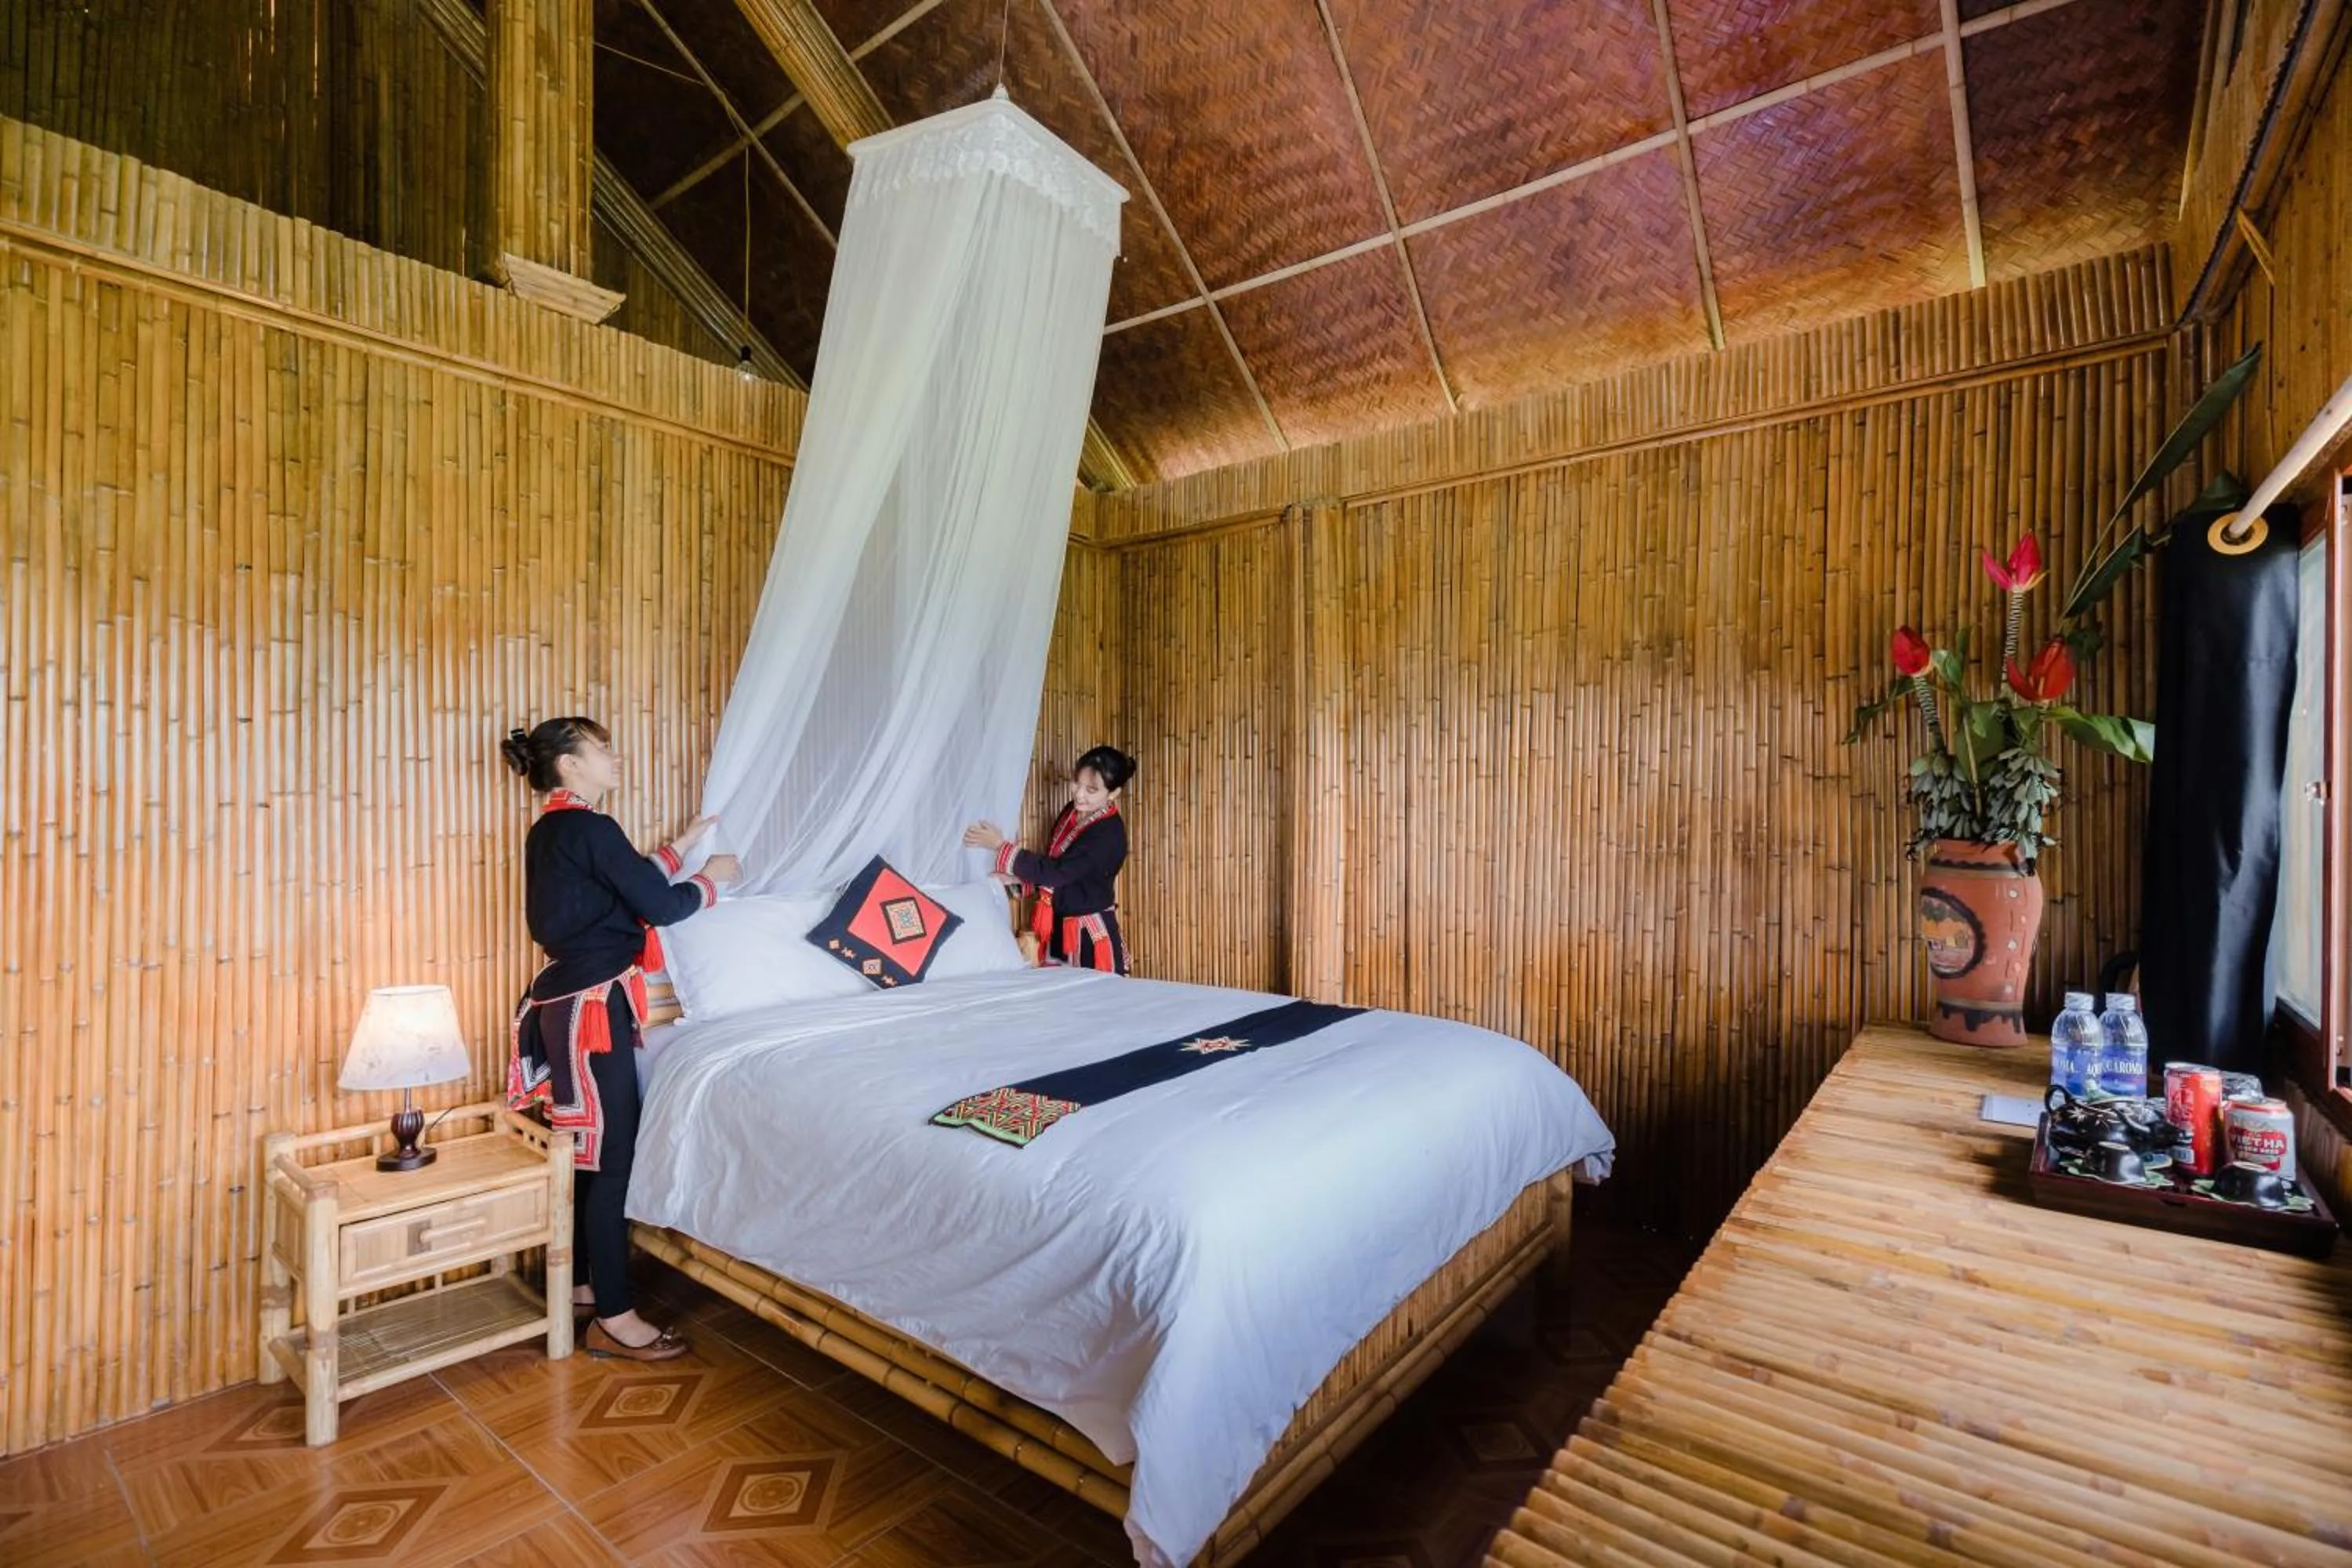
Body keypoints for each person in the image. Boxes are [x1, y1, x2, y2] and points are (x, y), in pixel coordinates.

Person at [499, 717, 739, 1362]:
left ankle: (584, 1284)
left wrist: (683, 844)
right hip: (592, 1008)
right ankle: (614, 1316)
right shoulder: (591, 828)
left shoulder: (556, 829)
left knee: (589, 1153)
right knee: (612, 1160)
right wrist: (713, 878)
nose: (614, 757)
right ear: (570, 764)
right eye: (601, 749)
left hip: (570, 1003)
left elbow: (622, 886)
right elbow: (658, 905)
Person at [963, 744, 1134, 975]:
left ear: (1113, 794)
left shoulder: (1107, 835)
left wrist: (1000, 846)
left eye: (1091, 790)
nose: (1079, 794)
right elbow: (1064, 869)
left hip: (1089, 937)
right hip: (1059, 927)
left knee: (1094, 996)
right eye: (1077, 783)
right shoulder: (1072, 812)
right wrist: (1017, 879)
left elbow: (1058, 873)